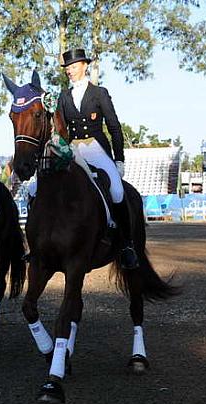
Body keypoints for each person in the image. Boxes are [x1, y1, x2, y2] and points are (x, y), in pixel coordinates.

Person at [56, 49, 138, 269]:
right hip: (72, 149)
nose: (70, 72)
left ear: (84, 66)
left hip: (96, 147)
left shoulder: (99, 93)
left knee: (118, 191)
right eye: (67, 69)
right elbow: (60, 129)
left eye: (73, 67)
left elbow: (114, 127)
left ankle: (126, 244)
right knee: (39, 187)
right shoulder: (63, 96)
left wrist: (119, 159)